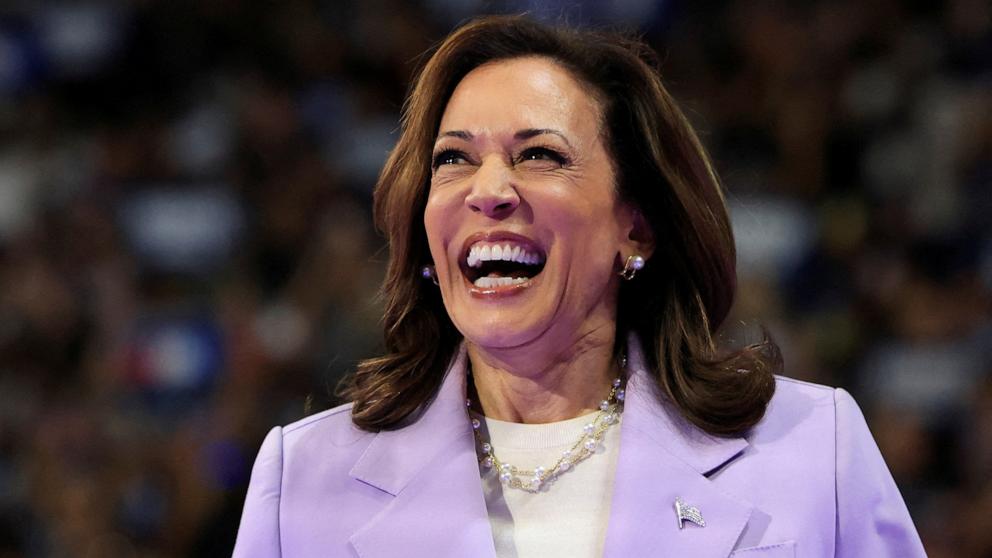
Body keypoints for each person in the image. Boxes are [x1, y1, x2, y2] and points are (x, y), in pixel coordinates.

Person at [232, 15, 926, 558]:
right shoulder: (304, 477)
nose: (490, 189)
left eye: (540, 154)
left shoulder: (811, 450)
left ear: (637, 229)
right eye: (453, 159)